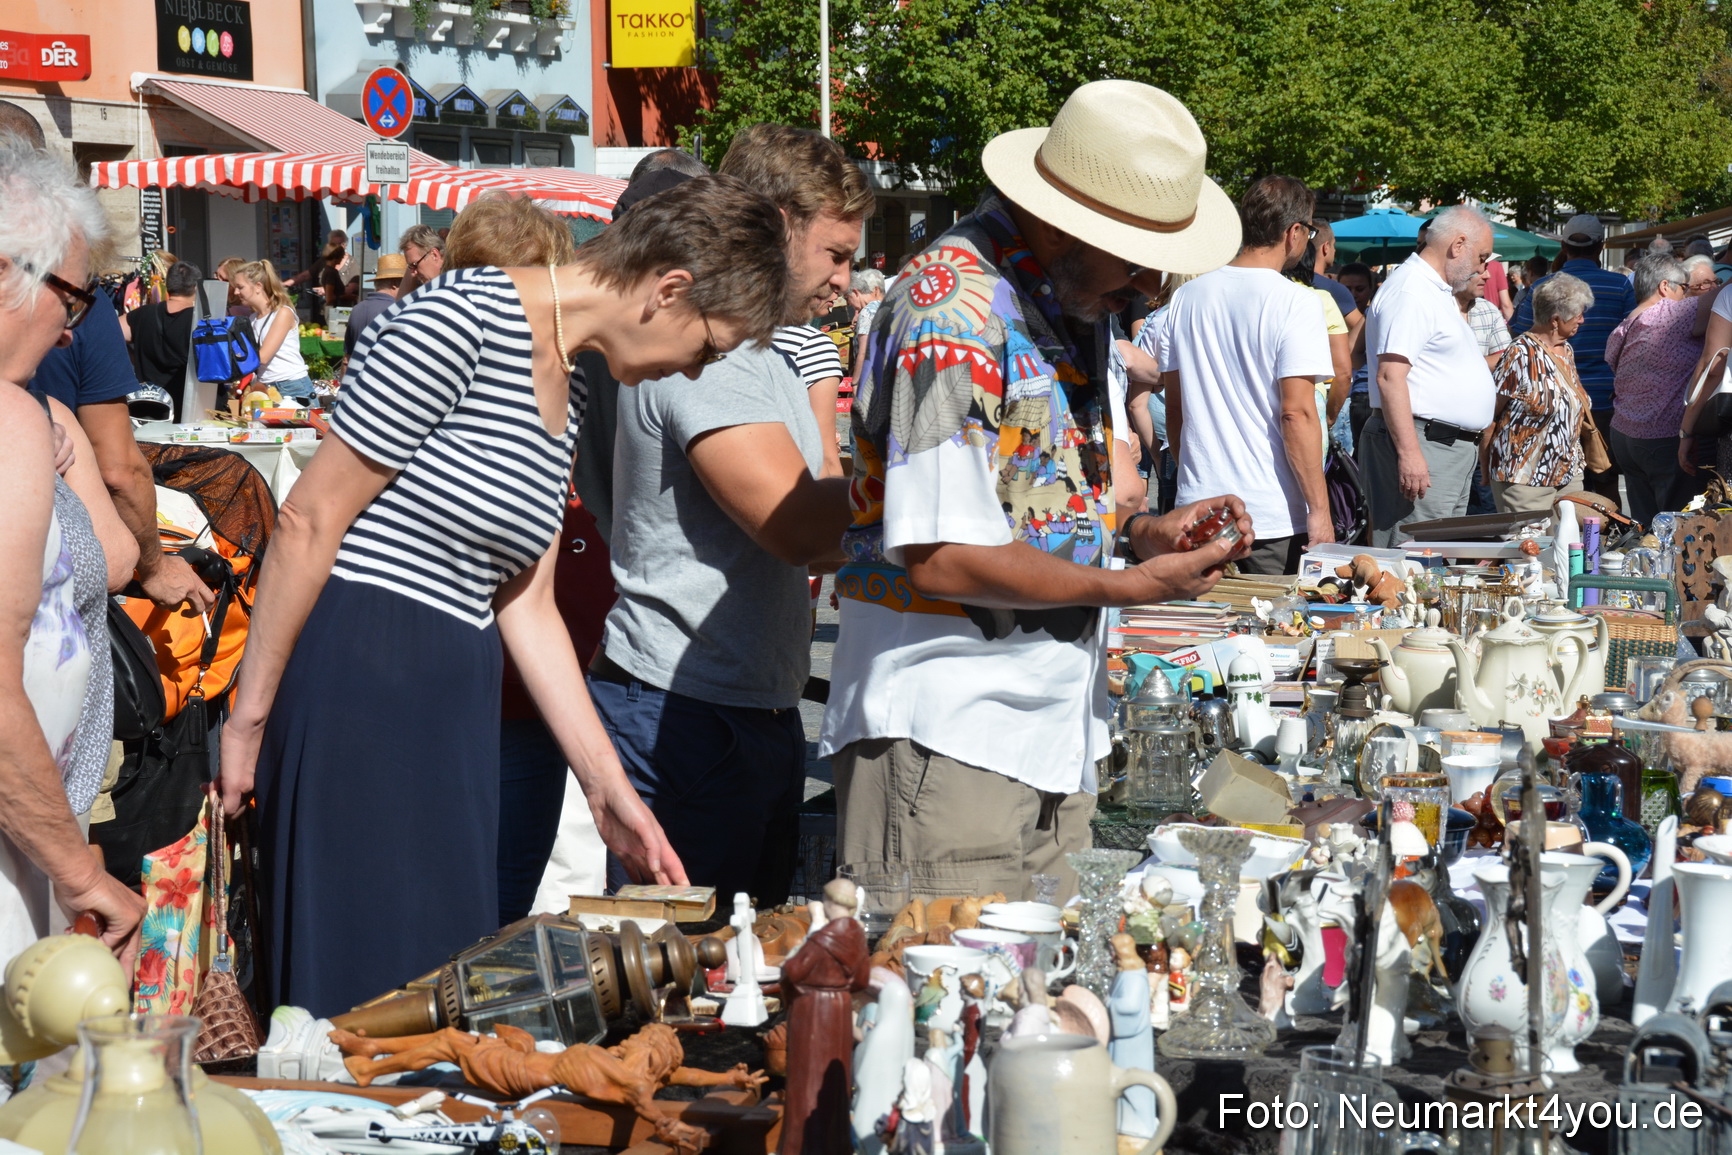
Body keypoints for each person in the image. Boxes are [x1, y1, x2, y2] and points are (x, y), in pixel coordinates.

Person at [217, 175, 789, 1017]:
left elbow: (529, 601)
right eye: (707, 347)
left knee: (434, 1004)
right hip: (366, 677)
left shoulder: (576, 375)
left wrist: (608, 790)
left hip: (455, 692)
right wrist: (248, 718)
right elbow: (308, 518)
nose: (693, 369)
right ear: (668, 292)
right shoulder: (463, 315)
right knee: (362, 1000)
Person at [822, 80, 1251, 901]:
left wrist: (1142, 532)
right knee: (949, 1006)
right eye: (1136, 260)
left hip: (1044, 731)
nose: (1152, 287)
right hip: (949, 740)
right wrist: (1126, 585)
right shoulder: (953, 312)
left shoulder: (1067, 295)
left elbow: (1040, 501)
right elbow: (941, 555)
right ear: (1064, 224)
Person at [594, 126, 869, 907]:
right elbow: (799, 526)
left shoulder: (766, 347)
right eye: (836, 254)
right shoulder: (710, 348)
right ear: (781, 224)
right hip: (687, 716)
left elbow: (818, 504)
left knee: (735, 979)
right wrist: (924, 483)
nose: (846, 283)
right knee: (687, 980)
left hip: (734, 708)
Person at [0, 139, 147, 969]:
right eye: (76, 297)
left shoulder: (29, 416)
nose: (74, 330)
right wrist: (76, 870)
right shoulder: (11, 422)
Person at [439, 193, 589, 925]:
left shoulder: (570, 382)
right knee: (485, 906)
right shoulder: (442, 366)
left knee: (490, 901)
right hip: (486, 688)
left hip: (509, 685)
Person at [13, 115, 215, 618]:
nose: (67, 330)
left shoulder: (44, 413)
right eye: (71, 300)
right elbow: (119, 468)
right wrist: (153, 564)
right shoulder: (40, 413)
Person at [1160, 174, 1333, 574]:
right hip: (1267, 512)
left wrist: (1195, 474)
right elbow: (1298, 414)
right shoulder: (1296, 302)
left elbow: (1176, 410)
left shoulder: (1187, 296)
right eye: (1308, 231)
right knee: (1271, 630)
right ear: (1293, 232)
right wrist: (1319, 510)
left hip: (1198, 505)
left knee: (1201, 629)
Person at [1361, 205, 1497, 546]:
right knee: (1410, 557)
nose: (1484, 269)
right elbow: (1390, 376)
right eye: (1481, 258)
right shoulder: (1411, 291)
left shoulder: (1432, 291)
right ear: (1458, 244)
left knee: (1431, 559)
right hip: (1425, 442)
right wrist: (1409, 453)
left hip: (1442, 445)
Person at [1510, 214, 1635, 507]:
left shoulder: (1542, 287)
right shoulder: (1619, 286)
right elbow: (1634, 340)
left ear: (1564, 246)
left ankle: (1568, 547)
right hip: (1604, 400)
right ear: (1601, 247)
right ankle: (1603, 547)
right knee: (1605, 480)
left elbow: (1521, 337)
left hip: (1552, 402)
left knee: (1560, 484)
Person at [1607, 255, 1711, 524]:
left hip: (1625, 434)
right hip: (1662, 436)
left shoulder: (1623, 327)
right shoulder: (1669, 314)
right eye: (1684, 288)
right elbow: (1723, 299)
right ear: (1665, 287)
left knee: (1645, 526)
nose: (1688, 295)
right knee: (1677, 528)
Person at [1483, 274, 1597, 513]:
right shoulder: (1520, 353)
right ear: (1556, 320)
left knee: (1569, 548)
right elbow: (1490, 414)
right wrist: (1484, 467)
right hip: (1524, 478)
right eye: (1578, 315)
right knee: (1526, 548)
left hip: (1568, 474)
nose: (1583, 320)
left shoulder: (1565, 350)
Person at [232, 260, 315, 405]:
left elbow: (263, 357)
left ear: (258, 286)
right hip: (266, 386)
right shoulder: (253, 319)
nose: (236, 292)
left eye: (240, 287)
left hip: (291, 387)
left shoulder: (283, 313)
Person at [773, 322, 846, 477]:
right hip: (796, 482)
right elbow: (825, 456)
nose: (836, 295)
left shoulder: (737, 339)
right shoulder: (814, 345)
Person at [124, 260, 200, 410]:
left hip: (149, 406)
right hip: (190, 409)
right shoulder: (199, 321)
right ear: (195, 287)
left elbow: (111, 335)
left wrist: (132, 356)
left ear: (167, 285)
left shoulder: (143, 314)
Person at [342, 253, 406, 373]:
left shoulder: (357, 309)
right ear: (395, 284)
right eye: (406, 283)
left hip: (357, 384)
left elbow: (347, 360)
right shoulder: (397, 311)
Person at [1457, 276, 1512, 368]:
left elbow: (1506, 358)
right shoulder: (1433, 309)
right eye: (1478, 271)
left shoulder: (1489, 310)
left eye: (1486, 267)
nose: (1487, 275)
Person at [846, 267, 886, 383]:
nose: (848, 303)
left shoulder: (867, 312)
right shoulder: (888, 306)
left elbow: (864, 351)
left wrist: (855, 382)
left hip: (869, 380)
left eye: (847, 298)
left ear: (855, 292)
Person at [398, 224, 446, 296]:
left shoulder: (458, 281)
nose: (412, 274)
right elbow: (400, 304)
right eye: (410, 267)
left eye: (415, 265)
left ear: (434, 255)